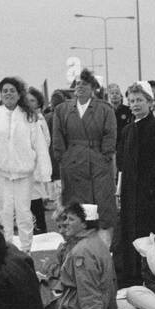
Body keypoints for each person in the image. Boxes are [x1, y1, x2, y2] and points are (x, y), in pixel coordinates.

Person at [0, 77, 50, 253]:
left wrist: (44, 173)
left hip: (24, 174)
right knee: (4, 213)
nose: (8, 93)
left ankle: (26, 251)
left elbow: (40, 145)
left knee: (24, 214)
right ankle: (6, 249)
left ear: (19, 95)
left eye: (12, 90)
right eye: (5, 91)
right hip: (0, 174)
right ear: (1, 94)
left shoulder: (30, 117)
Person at [116, 82, 155, 286]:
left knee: (149, 234)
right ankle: (131, 275)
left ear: (149, 102)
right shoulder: (127, 130)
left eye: (139, 100)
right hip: (130, 192)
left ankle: (151, 275)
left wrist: (153, 187)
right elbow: (121, 161)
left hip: (150, 193)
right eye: (131, 101)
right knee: (130, 233)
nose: (134, 104)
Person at [51, 69, 119, 246]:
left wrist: (104, 157)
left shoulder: (105, 109)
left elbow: (110, 135)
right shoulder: (62, 110)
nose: (80, 87)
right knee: (75, 210)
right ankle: (76, 248)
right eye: (77, 84)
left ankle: (104, 250)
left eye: (85, 83)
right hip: (72, 166)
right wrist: (63, 158)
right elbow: (57, 138)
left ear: (93, 87)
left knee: (102, 209)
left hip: (98, 166)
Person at [43, 201, 119, 309]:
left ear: (84, 224)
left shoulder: (82, 251)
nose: (66, 223)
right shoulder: (98, 241)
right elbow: (111, 280)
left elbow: (88, 289)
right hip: (94, 305)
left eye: (71, 219)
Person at [25, 87, 52, 234]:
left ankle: (39, 228)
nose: (29, 103)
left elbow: (45, 142)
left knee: (35, 199)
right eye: (27, 100)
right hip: (24, 166)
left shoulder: (40, 120)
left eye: (32, 100)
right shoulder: (25, 118)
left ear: (38, 103)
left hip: (35, 166)